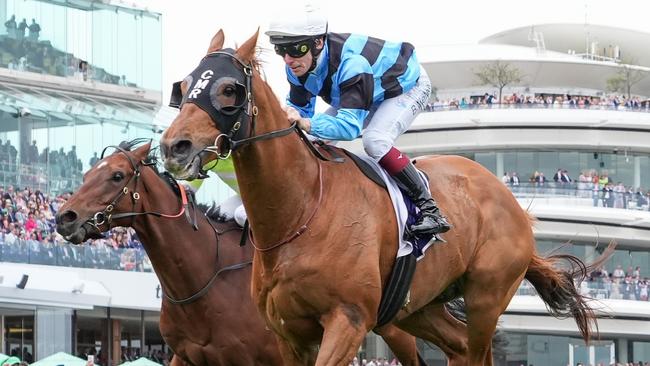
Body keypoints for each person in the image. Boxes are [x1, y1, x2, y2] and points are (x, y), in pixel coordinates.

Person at [265, 5, 450, 235]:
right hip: (367, 89)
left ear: (318, 43)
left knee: (375, 140)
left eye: (295, 48)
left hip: (405, 86)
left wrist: (307, 123)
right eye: (280, 50)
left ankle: (430, 209)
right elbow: (300, 112)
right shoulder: (296, 67)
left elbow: (350, 128)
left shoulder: (352, 64)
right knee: (309, 137)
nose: (288, 59)